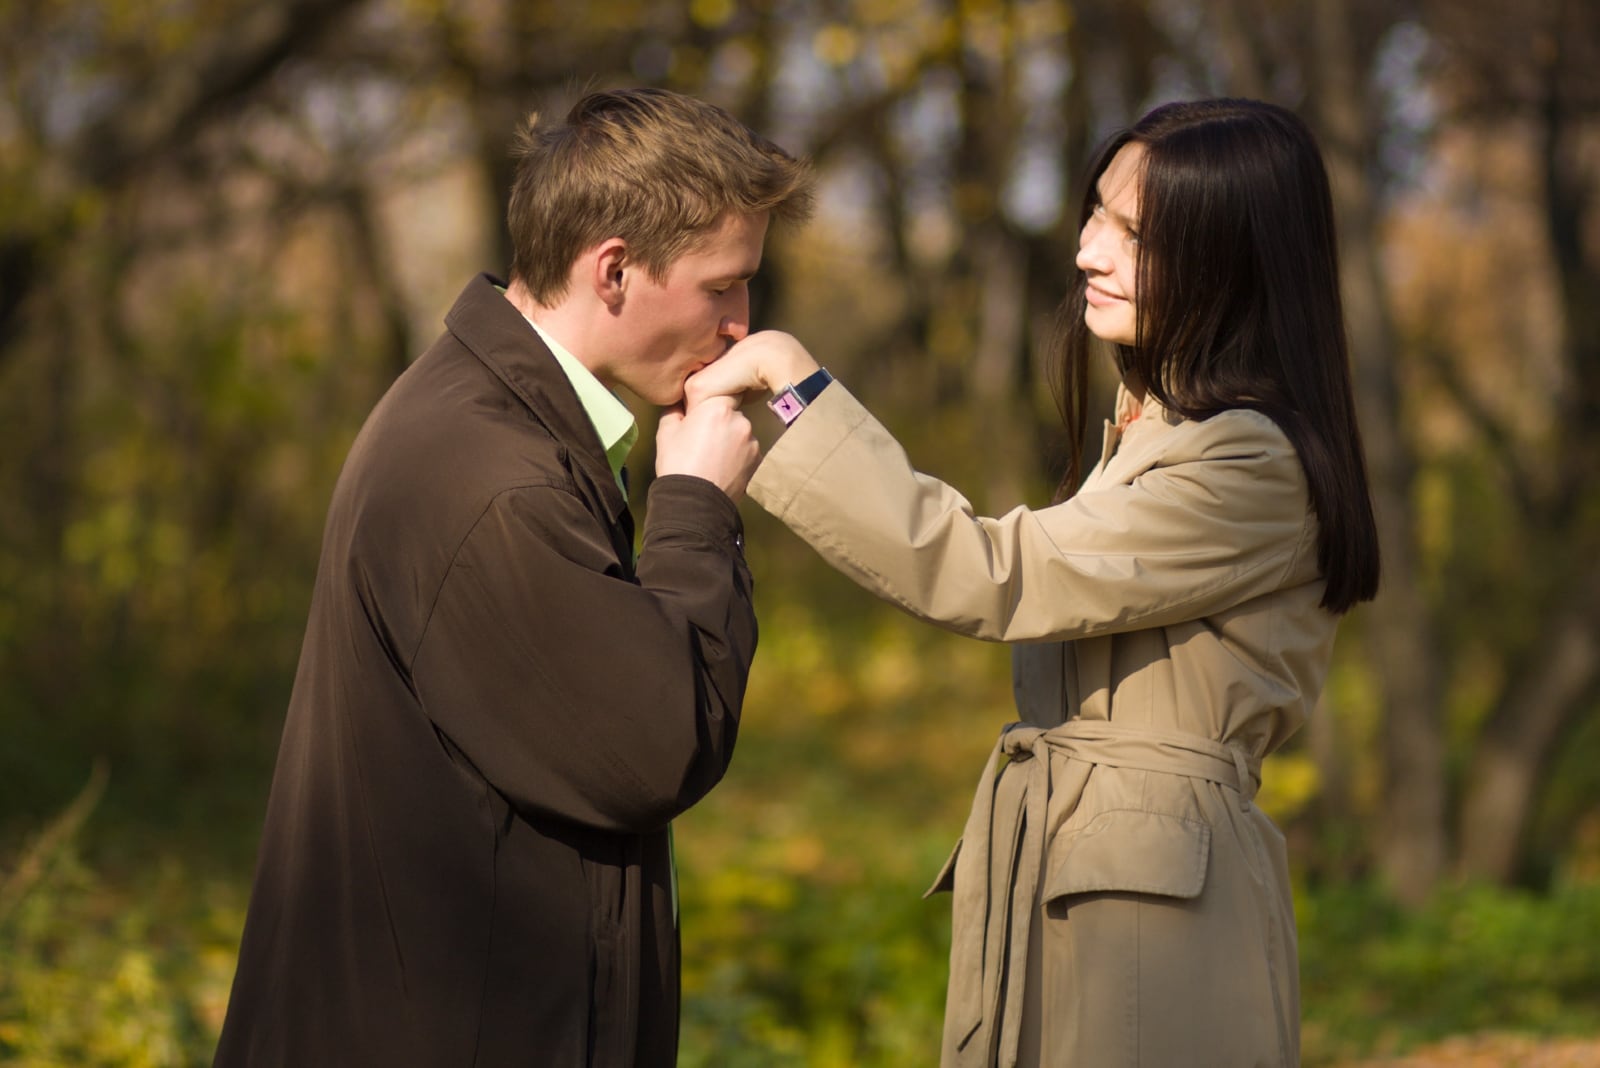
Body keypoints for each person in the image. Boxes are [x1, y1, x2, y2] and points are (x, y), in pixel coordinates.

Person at [686, 98, 1380, 1067]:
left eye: (1137, 235)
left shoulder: (1244, 462)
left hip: (1153, 915)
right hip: (1100, 879)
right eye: (1096, 214)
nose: (1090, 251)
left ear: (1234, 260)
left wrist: (797, 391)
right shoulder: (1161, 433)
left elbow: (991, 571)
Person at [214, 88, 814, 1068]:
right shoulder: (491, 477)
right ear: (613, 269)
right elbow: (652, 745)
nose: (742, 325)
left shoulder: (504, 421)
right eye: (722, 289)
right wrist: (697, 506)